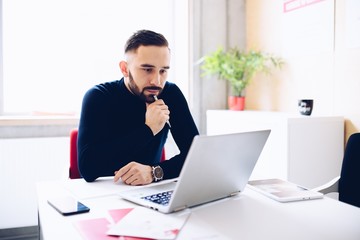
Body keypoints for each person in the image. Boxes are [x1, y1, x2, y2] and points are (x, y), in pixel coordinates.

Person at [77, 29, 199, 185]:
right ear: (124, 69)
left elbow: (195, 157)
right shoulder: (99, 96)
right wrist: (148, 130)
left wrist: (154, 172)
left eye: (163, 71)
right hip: (105, 192)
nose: (157, 81)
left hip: (150, 190)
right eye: (147, 70)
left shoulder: (170, 94)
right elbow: (88, 168)